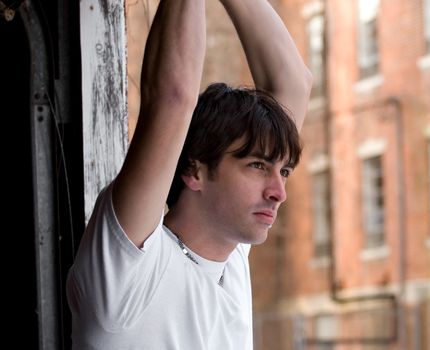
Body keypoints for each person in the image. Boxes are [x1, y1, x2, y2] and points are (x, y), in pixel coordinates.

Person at [66, 0, 312, 348]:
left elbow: (295, 84)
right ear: (194, 170)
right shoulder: (132, 268)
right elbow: (173, 98)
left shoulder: (231, 260)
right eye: (257, 166)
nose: (278, 192)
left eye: (283, 171)